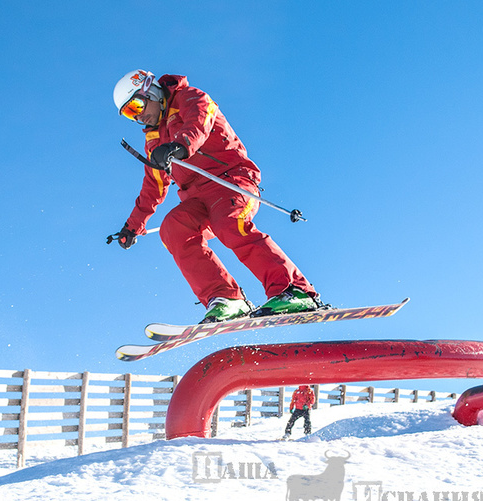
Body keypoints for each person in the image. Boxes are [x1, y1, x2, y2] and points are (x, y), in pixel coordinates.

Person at [110, 69, 324, 323]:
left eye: (136, 105)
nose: (139, 115)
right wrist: (132, 227)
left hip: (230, 180)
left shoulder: (190, 98)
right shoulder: (153, 140)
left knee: (229, 223)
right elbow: (153, 187)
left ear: (151, 91)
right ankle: (226, 298)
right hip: (195, 198)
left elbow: (199, 122)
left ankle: (294, 290)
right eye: (129, 113)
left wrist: (180, 146)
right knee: (173, 228)